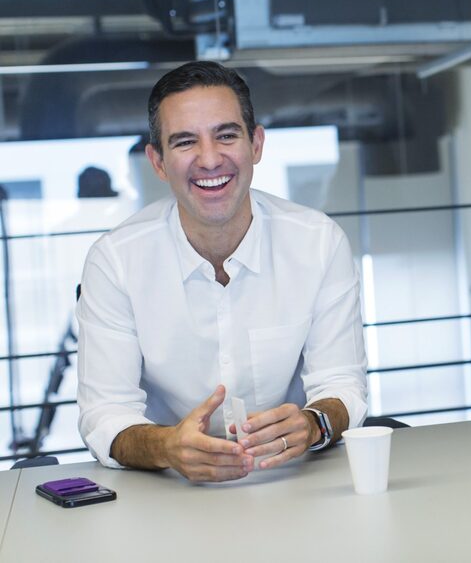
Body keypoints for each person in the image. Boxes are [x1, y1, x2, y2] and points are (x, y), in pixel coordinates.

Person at [76, 61, 367, 482]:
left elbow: (342, 384)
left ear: (256, 145)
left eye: (226, 135)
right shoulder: (115, 261)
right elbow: (105, 415)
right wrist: (167, 446)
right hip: (169, 489)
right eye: (185, 142)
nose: (210, 159)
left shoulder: (319, 243)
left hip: (295, 478)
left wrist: (314, 424)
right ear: (158, 162)